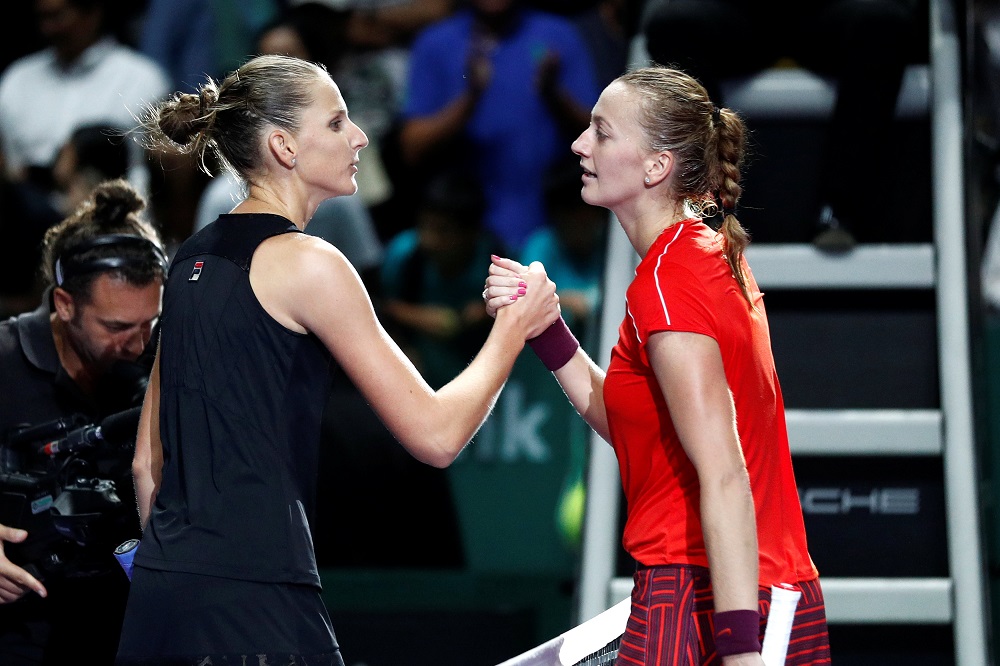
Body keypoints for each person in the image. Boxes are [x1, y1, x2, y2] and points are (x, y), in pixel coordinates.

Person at [116, 53, 560, 665]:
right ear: (284, 147)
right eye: (336, 122)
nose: (360, 136)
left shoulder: (188, 259)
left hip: (162, 597)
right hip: (257, 601)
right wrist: (514, 326)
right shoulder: (311, 265)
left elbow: (146, 464)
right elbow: (436, 434)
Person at [486, 66, 831, 664]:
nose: (579, 144)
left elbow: (725, 471)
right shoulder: (698, 253)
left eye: (602, 132)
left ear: (655, 166)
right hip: (744, 589)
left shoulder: (670, 279)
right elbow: (638, 428)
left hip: (709, 597)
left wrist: (740, 647)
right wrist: (545, 330)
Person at [0, 178, 167, 665]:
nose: (136, 346)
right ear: (65, 304)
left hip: (122, 633)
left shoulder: (159, 364)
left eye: (149, 324)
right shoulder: (4, 359)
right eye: (116, 328)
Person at [640, 0, 922, 250]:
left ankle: (839, 210)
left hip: (830, 11)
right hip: (740, 12)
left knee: (884, 22)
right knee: (672, 24)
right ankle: (712, 206)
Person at [396, 0, 601, 252]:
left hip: (552, 236)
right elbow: (412, 149)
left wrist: (554, 96)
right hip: (466, 244)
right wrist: (469, 100)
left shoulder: (558, 34)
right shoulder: (435, 42)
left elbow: (599, 137)